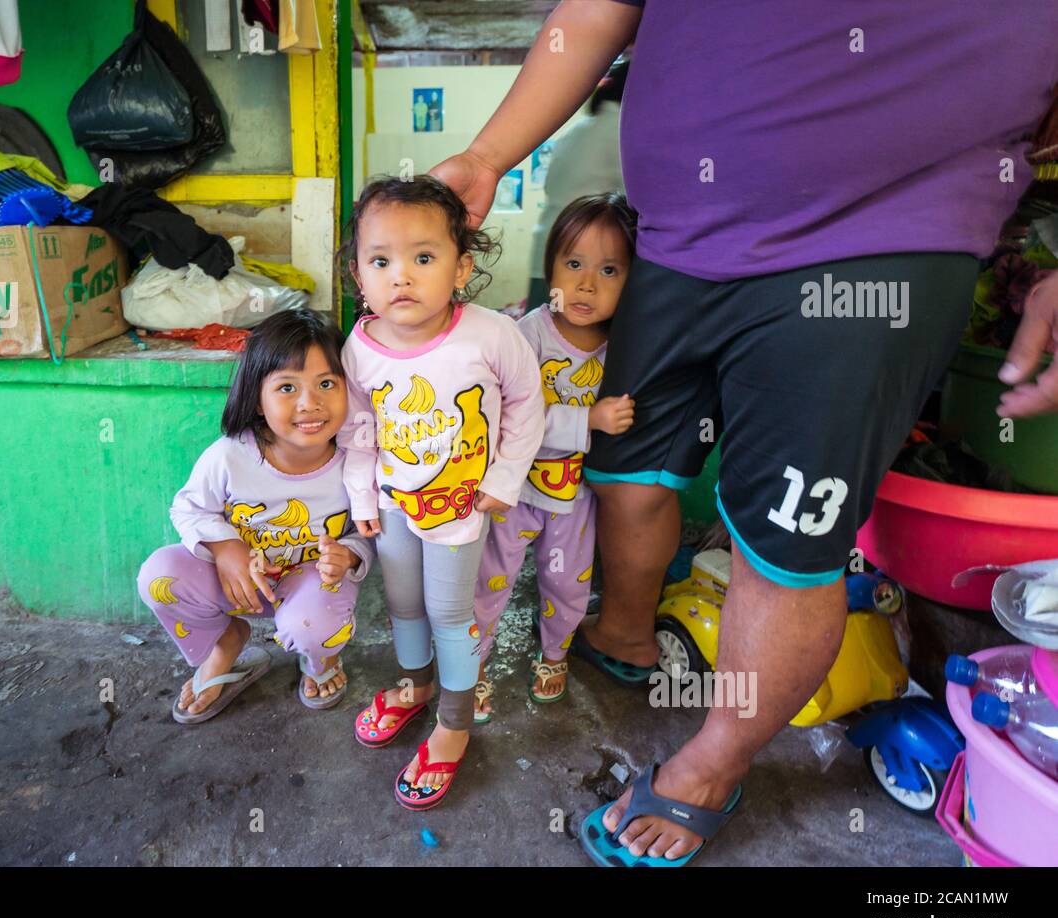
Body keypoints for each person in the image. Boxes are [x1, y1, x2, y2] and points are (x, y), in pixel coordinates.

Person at [431, 0, 1058, 865]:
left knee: (787, 544)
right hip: (679, 241)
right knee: (631, 464)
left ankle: (712, 766)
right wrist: (489, 154)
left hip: (878, 246)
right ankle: (624, 630)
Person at [337, 174, 545, 810]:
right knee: (401, 599)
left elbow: (527, 407)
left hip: (461, 506)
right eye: (381, 261)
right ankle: (416, 684)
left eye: (423, 257)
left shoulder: (490, 335)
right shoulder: (360, 348)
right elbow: (359, 430)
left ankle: (454, 723)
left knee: (449, 612)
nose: (401, 276)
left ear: (461, 268)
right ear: (358, 276)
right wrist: (365, 500)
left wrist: (504, 482)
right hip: (396, 502)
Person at [136, 310, 373, 723]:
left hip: (311, 587)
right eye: (286, 387)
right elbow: (189, 508)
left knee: (310, 624)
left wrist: (349, 555)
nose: (309, 403)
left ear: (349, 389)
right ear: (257, 400)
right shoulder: (230, 455)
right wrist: (226, 548)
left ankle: (320, 660)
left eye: (327, 383)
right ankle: (225, 644)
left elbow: (369, 531)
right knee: (159, 576)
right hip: (241, 584)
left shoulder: (357, 464)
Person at [473, 193, 637, 721]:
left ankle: (554, 655)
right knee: (491, 578)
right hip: (514, 490)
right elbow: (511, 420)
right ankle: (469, 666)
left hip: (574, 495)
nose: (587, 284)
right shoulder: (525, 336)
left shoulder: (624, 347)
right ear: (551, 269)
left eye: (609, 269)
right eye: (574, 264)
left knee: (568, 582)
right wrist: (585, 420)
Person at [527, 56, 628, 308]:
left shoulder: (577, 132)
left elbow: (551, 186)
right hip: (582, 257)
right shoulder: (621, 132)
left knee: (541, 336)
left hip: (549, 247)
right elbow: (635, 202)